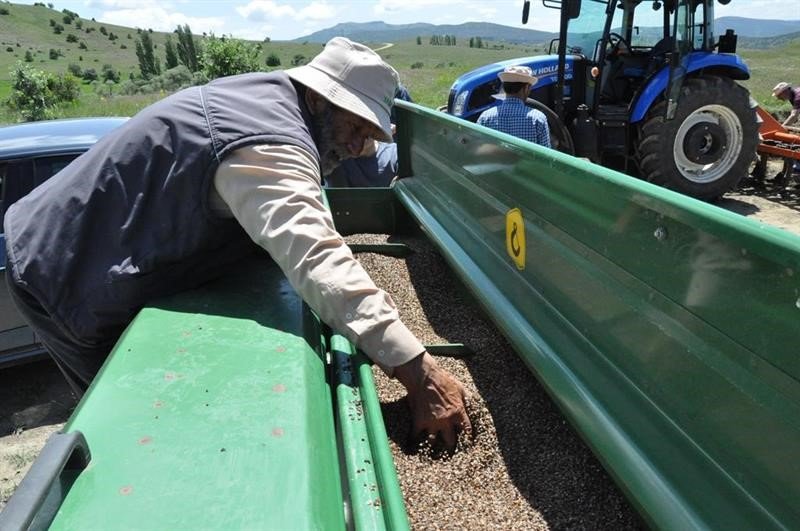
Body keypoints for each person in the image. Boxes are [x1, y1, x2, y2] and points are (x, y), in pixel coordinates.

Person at [3, 37, 470, 449]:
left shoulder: (275, 100)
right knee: (129, 422)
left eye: (368, 136)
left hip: (100, 250)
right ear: (317, 97)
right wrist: (418, 369)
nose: (355, 148)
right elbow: (316, 257)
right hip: (64, 267)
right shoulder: (267, 142)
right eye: (355, 128)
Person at [325, 84, 413, 187]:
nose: (362, 133)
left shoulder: (393, 154)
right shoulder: (336, 156)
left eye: (368, 124)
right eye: (355, 126)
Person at [477, 65, 551, 148]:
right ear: (526, 88)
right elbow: (546, 153)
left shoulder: (485, 117)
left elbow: (478, 148)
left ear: (504, 87)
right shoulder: (538, 118)